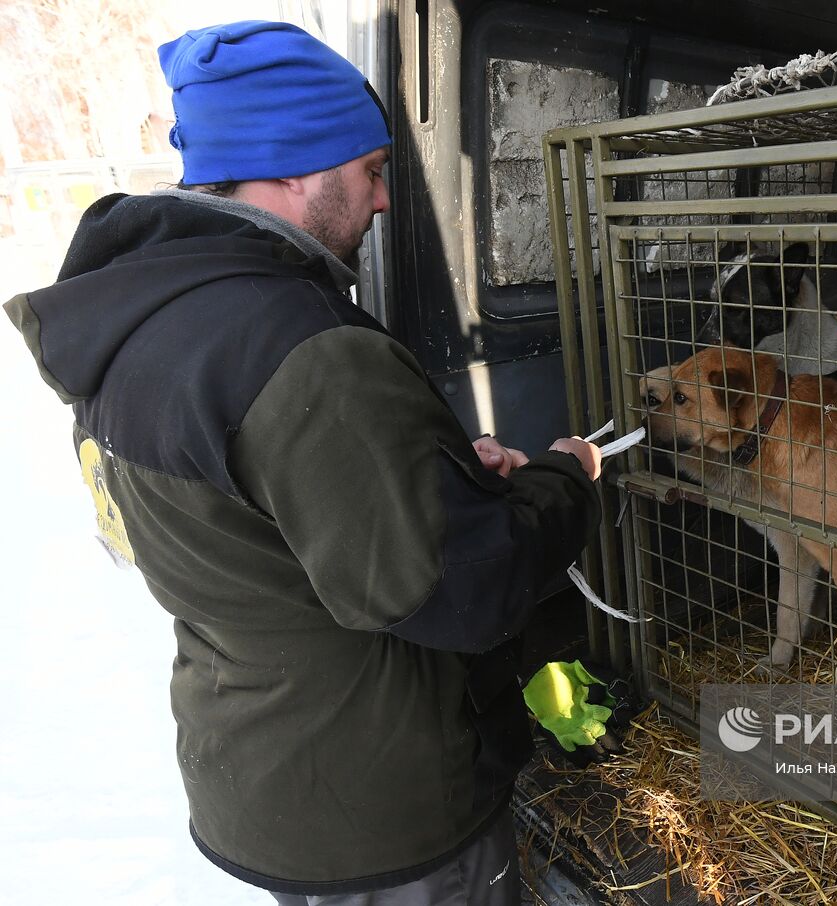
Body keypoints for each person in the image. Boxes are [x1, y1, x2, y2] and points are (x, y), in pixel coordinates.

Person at [3, 20, 603, 905]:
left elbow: (231, 528)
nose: (385, 201)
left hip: (264, 778)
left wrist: (427, 470)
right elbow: (463, 591)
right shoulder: (301, 344)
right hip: (390, 808)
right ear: (291, 167)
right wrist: (565, 479)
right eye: (369, 171)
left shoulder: (127, 329)